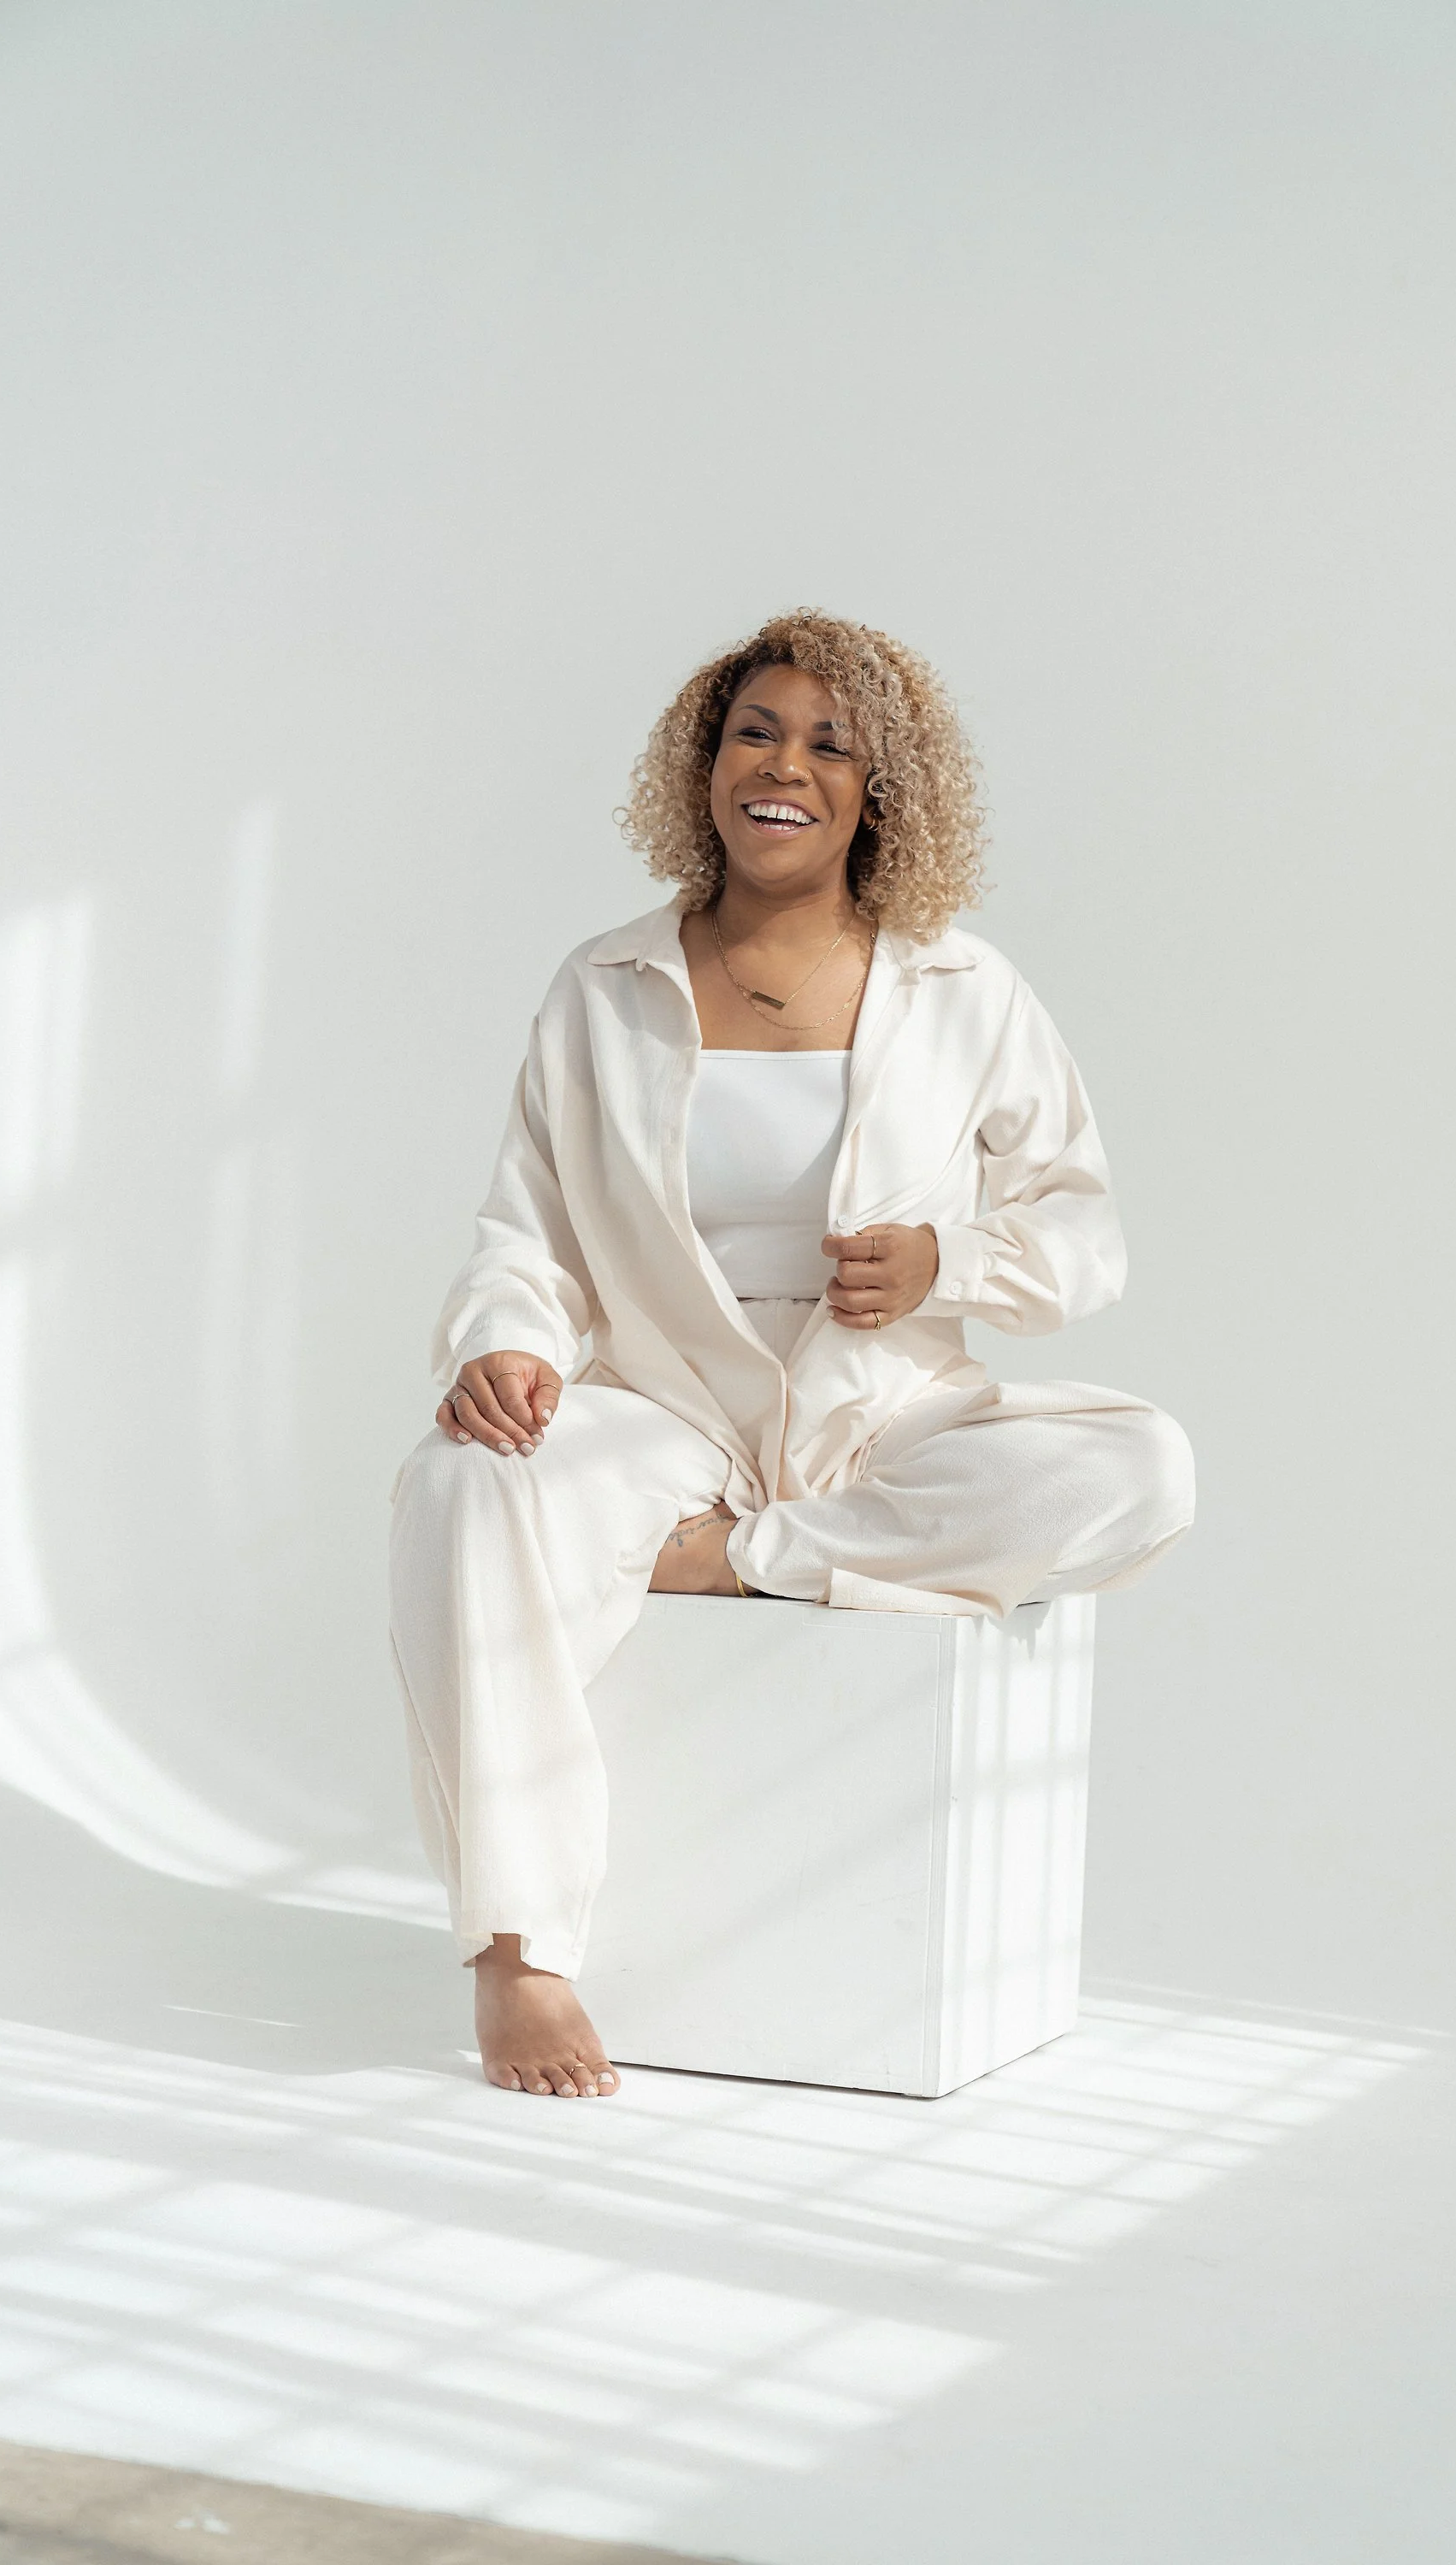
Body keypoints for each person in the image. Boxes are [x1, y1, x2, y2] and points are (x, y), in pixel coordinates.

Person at [389, 610, 1194, 2100]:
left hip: (884, 1412)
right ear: (703, 766)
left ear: (881, 789)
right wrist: (508, 1342)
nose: (785, 766)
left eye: (832, 744)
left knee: (1140, 1464)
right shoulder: (603, 984)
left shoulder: (965, 988)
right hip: (666, 1401)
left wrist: (950, 1261)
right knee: (461, 1481)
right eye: (755, 732)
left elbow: (1084, 1233)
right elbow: (528, 1226)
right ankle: (519, 1950)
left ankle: (746, 1560)